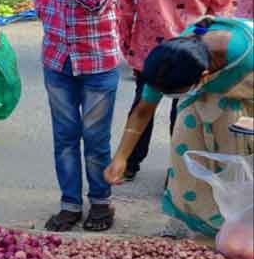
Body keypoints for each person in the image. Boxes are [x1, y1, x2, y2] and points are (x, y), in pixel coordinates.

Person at [26, 0, 135, 232]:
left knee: (96, 139)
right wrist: (47, 3)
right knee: (65, 137)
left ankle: (101, 203)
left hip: (97, 59)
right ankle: (70, 203)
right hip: (57, 56)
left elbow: (97, 3)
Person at [117, 0, 237, 181]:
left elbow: (124, 5)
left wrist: (126, 44)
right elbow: (222, 15)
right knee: (184, 112)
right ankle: (178, 173)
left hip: (149, 52)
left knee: (142, 105)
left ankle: (129, 163)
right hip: (193, 54)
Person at [105, 17, 253, 238]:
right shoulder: (171, 60)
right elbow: (144, 109)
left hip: (242, 104)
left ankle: (235, 231)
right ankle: (188, 223)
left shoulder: (246, 54)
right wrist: (121, 157)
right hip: (198, 105)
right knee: (184, 157)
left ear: (204, 77)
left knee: (234, 166)